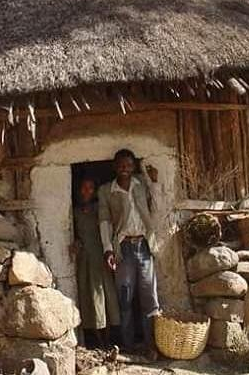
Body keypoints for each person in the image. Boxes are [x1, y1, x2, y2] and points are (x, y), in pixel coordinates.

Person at [98, 149, 163, 359]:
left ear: (134, 166)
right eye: (120, 165)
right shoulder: (107, 191)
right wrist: (108, 249)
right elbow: (104, 222)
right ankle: (127, 346)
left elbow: (157, 205)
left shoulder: (141, 185)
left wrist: (154, 182)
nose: (124, 168)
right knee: (125, 298)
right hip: (123, 248)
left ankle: (150, 344)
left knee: (148, 298)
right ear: (114, 167)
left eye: (128, 165)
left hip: (144, 246)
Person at [73, 177, 120, 348]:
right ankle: (97, 341)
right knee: (91, 300)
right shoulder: (74, 211)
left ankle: (109, 341)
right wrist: (76, 242)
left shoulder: (99, 209)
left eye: (90, 188)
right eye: (83, 187)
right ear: (78, 190)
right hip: (86, 260)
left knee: (107, 299)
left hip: (101, 257)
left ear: (95, 191)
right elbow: (74, 233)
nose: (86, 191)